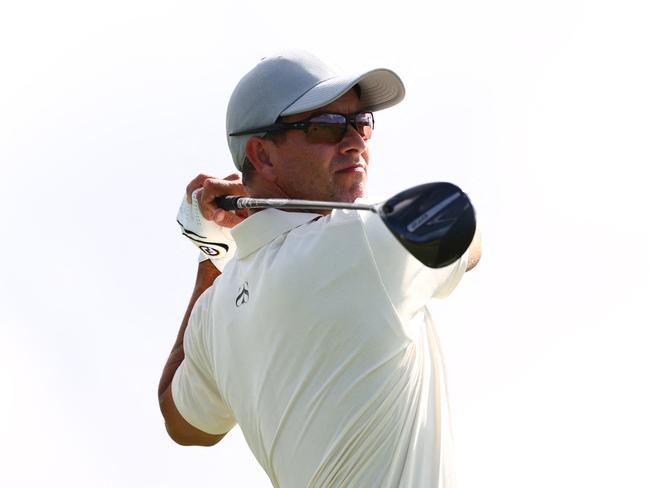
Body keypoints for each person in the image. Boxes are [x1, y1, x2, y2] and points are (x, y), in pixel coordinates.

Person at [158, 50, 481, 488]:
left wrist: (211, 253)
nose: (355, 141)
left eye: (361, 121)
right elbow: (469, 235)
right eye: (326, 127)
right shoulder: (363, 241)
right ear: (263, 156)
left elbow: (183, 423)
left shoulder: (215, 313)